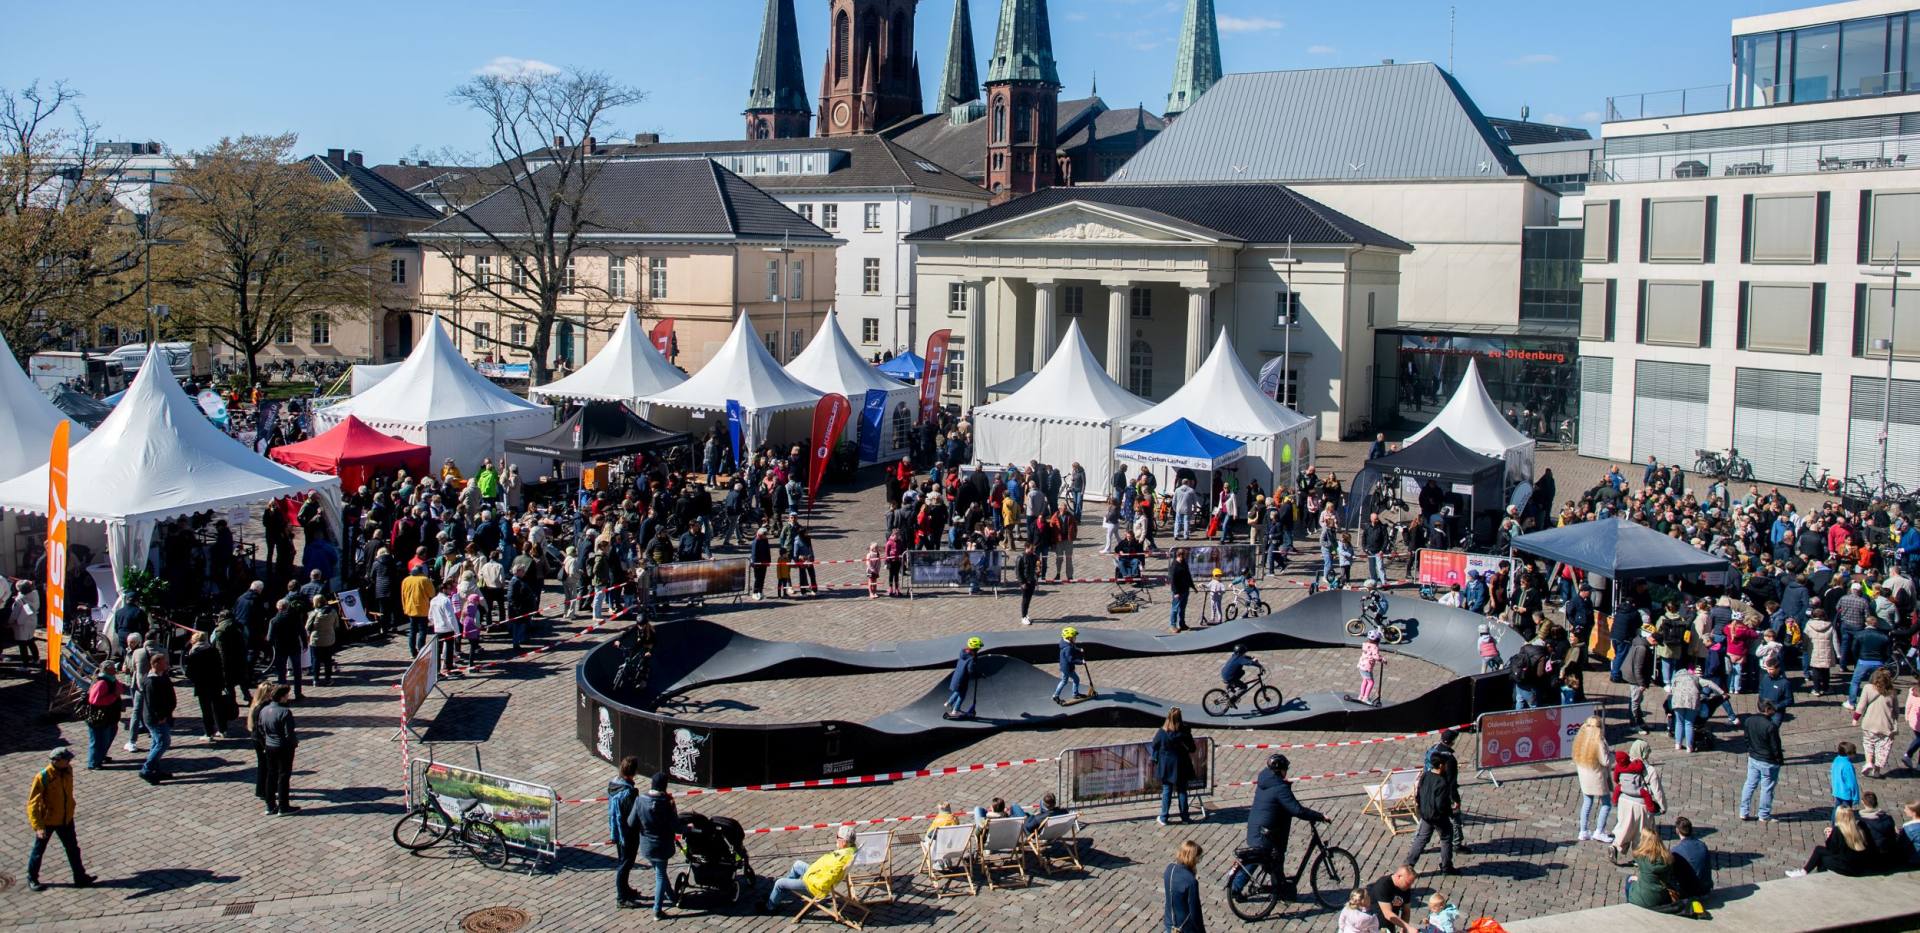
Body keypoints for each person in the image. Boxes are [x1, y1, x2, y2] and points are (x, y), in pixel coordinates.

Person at [1233, 754, 1325, 897]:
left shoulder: (1265, 778)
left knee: (1264, 858)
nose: (1286, 772)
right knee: (1266, 857)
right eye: (1285, 769)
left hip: (1257, 828)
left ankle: (1278, 889)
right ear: (1280, 770)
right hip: (1267, 833)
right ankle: (1240, 887)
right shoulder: (1280, 788)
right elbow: (1297, 810)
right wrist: (1319, 816)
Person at [24, 747, 93, 892]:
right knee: (39, 850)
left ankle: (80, 877)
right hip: (48, 821)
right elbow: (33, 804)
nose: (69, 761)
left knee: (73, 849)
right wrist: (38, 827)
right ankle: (32, 877)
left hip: (66, 818)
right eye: (66, 759)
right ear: (57, 761)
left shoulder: (68, 770)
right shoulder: (42, 777)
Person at [763, 824, 858, 914]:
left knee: (779, 883)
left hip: (812, 886)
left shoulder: (840, 859)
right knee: (797, 864)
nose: (836, 839)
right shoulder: (848, 852)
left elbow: (825, 881)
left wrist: (809, 878)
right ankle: (780, 894)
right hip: (816, 874)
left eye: (838, 837)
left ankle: (770, 906)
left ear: (844, 842)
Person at [1609, 741, 1665, 864]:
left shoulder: (1624, 764)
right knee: (1640, 833)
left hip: (1623, 801)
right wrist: (1662, 807)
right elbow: (1657, 791)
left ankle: (1615, 846)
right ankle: (1638, 859)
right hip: (1641, 804)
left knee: (1624, 827)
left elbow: (1617, 780)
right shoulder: (1649, 770)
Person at [1402, 756, 1457, 875]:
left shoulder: (1425, 775)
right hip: (1438, 817)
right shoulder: (1442, 782)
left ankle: (1408, 865)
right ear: (1441, 765)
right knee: (1446, 838)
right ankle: (1446, 867)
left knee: (1421, 839)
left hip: (1425, 814)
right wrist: (1450, 811)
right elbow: (1442, 804)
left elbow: (1418, 793)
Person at [634, 772, 679, 917]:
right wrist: (688, 829)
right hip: (662, 846)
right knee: (660, 875)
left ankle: (672, 896)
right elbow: (676, 826)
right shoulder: (668, 803)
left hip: (647, 845)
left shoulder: (640, 800)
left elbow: (630, 822)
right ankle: (657, 910)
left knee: (660, 871)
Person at [1150, 708, 1200, 825]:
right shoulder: (1185, 731)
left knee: (1167, 790)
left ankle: (1164, 817)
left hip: (1167, 765)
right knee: (1182, 791)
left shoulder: (1162, 732)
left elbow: (1154, 744)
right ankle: (1185, 818)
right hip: (1182, 764)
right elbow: (1192, 748)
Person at [1795, 806, 1876, 877]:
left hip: (1847, 867)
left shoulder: (1838, 830)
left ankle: (1805, 872)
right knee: (1821, 854)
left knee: (1820, 854)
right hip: (1858, 866)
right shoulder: (1858, 828)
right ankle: (1806, 872)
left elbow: (1831, 849)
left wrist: (1829, 836)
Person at [255, 685, 299, 814]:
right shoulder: (285, 712)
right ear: (282, 697)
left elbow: (260, 729)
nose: (288, 697)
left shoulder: (264, 710)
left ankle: (270, 805)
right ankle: (283, 806)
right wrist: (293, 744)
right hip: (283, 747)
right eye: (286, 695)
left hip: (269, 746)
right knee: (284, 776)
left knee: (271, 774)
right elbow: (289, 733)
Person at [1739, 700, 1785, 822]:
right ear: (1767, 709)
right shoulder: (1771, 726)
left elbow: (1746, 739)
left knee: (1749, 784)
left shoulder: (1749, 720)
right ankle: (1764, 814)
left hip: (1754, 757)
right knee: (1767, 788)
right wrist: (1779, 760)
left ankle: (1743, 811)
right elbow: (1776, 746)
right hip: (1768, 761)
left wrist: (1751, 750)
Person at [136, 651, 176, 784]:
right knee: (162, 742)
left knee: (156, 743)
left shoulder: (162, 676)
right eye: (164, 662)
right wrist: (161, 716)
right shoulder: (151, 681)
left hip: (163, 715)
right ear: (156, 664)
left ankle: (155, 769)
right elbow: (152, 702)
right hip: (156, 718)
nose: (166, 664)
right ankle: (147, 769)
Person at [1572, 714, 1613, 843]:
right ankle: (1599, 831)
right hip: (1597, 777)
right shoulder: (1598, 742)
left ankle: (1583, 831)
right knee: (1606, 803)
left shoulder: (1580, 739)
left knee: (1587, 802)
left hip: (1584, 777)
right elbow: (1605, 761)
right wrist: (1613, 756)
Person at [1857, 666, 1900, 777]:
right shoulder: (1892, 692)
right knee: (1882, 748)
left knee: (1868, 744)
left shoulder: (1867, 688)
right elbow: (1896, 711)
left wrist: (1855, 718)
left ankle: (1868, 762)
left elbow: (1861, 705)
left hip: (1869, 724)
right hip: (1885, 726)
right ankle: (1877, 770)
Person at [183, 632, 227, 741]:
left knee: (206, 710)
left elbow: (189, 672)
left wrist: (196, 679)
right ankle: (222, 730)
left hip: (202, 685)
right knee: (218, 707)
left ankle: (209, 733)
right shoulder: (213, 650)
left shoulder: (194, 653)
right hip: (215, 683)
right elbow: (220, 667)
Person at [82, 664, 124, 771]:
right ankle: (93, 763)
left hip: (110, 716)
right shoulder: (102, 683)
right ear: (107, 670)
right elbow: (95, 701)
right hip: (99, 718)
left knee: (108, 736)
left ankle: (101, 756)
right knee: (98, 740)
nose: (115, 670)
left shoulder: (112, 680)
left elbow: (120, 688)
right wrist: (114, 696)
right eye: (113, 668)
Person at [1622, 828, 1676, 911]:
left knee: (1629, 880)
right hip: (1660, 897)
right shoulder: (1667, 858)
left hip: (1641, 899)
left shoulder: (1641, 857)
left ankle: (1629, 906)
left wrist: (1637, 878)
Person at [1162, 839, 1205, 933]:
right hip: (1184, 928)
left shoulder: (1170, 868)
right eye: (1199, 858)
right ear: (1193, 858)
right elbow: (1195, 912)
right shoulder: (1191, 882)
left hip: (1169, 923)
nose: (1199, 861)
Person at [1668, 816, 1713, 899]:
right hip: (1706, 889)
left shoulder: (1676, 851)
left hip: (1690, 892)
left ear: (1677, 831)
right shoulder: (1702, 845)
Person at [1366, 865, 1419, 933]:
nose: (1409, 887)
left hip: (1390, 926)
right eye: (1408, 883)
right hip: (1375, 926)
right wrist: (1408, 927)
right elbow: (1387, 913)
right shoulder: (1383, 885)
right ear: (1399, 876)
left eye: (1411, 884)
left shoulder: (1405, 888)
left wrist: (1404, 930)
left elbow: (1406, 911)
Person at [401, 564, 434, 656]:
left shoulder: (406, 580)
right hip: (422, 609)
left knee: (412, 631)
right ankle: (421, 649)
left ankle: (412, 651)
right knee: (422, 630)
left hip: (410, 608)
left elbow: (403, 596)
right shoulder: (425, 580)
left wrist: (405, 608)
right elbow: (431, 593)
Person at [944, 638, 981, 720]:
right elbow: (970, 670)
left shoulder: (963, 652)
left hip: (956, 677)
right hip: (962, 680)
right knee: (962, 695)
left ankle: (949, 703)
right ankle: (955, 711)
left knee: (958, 691)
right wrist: (978, 674)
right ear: (975, 649)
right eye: (978, 649)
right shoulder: (971, 659)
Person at [1051, 627, 1085, 705]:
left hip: (1065, 666)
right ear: (1069, 638)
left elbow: (1073, 646)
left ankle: (1074, 694)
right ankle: (1056, 695)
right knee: (1067, 681)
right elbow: (1071, 659)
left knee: (1071, 680)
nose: (1075, 638)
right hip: (1067, 668)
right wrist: (1081, 662)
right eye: (1074, 637)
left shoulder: (1065, 641)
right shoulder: (1068, 648)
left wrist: (1078, 649)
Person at [1167, 550, 1194, 633]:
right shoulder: (1174, 566)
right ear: (1180, 555)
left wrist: (1192, 586)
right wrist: (1175, 592)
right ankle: (1173, 625)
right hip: (1178, 591)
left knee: (1182, 608)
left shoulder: (1184, 563)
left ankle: (1182, 624)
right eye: (1185, 555)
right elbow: (1173, 581)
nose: (1186, 557)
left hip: (1185, 589)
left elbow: (1188, 575)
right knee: (1175, 609)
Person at [1831, 741, 1861, 808]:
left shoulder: (1836, 759)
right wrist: (1855, 796)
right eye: (1854, 752)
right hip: (1846, 794)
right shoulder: (1848, 765)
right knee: (1845, 814)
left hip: (1837, 791)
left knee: (1837, 810)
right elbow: (1852, 782)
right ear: (1849, 754)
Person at [1016, 543, 1040, 626]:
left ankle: (1026, 614)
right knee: (1025, 599)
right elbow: (1018, 572)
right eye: (1031, 549)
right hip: (1025, 581)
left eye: (1033, 549)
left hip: (1032, 580)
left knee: (1028, 599)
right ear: (1026, 548)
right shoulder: (1021, 558)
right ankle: (1023, 616)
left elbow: (1037, 568)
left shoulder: (1034, 557)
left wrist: (1037, 574)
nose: (1033, 550)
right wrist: (1022, 582)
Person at [1357, 630, 1383, 706]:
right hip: (1367, 667)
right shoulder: (1375, 647)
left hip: (1361, 665)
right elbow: (1376, 657)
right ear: (1377, 640)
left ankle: (1361, 696)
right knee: (1371, 682)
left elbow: (1370, 654)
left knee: (1365, 680)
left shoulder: (1365, 644)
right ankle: (1366, 698)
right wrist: (1382, 659)